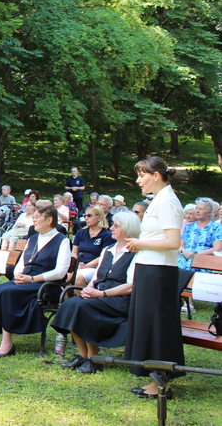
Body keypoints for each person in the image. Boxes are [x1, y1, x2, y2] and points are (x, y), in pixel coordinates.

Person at [0, 201, 71, 357]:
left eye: (37, 217)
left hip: (46, 285)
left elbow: (60, 272)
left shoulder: (62, 240)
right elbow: (22, 263)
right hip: (25, 280)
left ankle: (7, 343)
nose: (33, 220)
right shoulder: (33, 239)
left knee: (8, 293)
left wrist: (32, 279)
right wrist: (18, 274)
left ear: (49, 220)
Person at [124, 157, 184, 399]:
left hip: (159, 271)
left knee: (159, 325)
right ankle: (155, 379)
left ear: (156, 176)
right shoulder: (159, 199)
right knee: (149, 324)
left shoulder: (168, 201)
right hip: (149, 268)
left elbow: (173, 242)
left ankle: (163, 383)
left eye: (142, 175)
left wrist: (139, 243)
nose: (138, 181)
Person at [52, 211, 140, 374]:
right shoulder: (108, 250)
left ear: (128, 230)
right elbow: (97, 276)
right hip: (101, 296)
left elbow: (131, 286)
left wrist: (101, 294)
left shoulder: (136, 253)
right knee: (71, 303)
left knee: (84, 308)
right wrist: (88, 289)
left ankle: (94, 358)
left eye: (116, 226)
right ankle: (82, 354)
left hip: (120, 301)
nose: (111, 228)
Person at [72, 206, 114, 285]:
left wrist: (86, 266)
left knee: (78, 277)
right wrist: (75, 264)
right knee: (66, 276)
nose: (86, 218)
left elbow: (104, 256)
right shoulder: (80, 233)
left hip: (95, 267)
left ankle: (82, 296)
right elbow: (74, 252)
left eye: (89, 215)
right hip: (79, 265)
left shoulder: (107, 235)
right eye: (85, 216)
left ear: (99, 217)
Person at [178, 197, 222, 271]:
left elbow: (217, 248)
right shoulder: (189, 226)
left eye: (201, 209)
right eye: (196, 208)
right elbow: (180, 245)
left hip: (203, 263)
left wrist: (196, 255)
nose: (197, 211)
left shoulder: (217, 227)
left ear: (210, 212)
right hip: (183, 260)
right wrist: (184, 252)